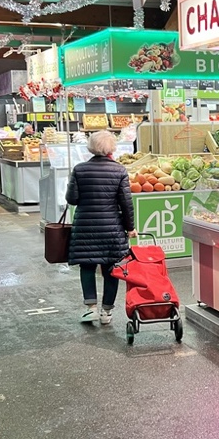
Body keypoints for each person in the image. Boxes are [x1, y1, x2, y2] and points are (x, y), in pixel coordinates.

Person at [65, 130, 136, 325]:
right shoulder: (120, 170)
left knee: (87, 266)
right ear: (111, 147)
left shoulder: (79, 169)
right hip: (112, 228)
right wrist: (130, 228)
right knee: (111, 268)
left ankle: (91, 309)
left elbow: (72, 199)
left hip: (85, 227)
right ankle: (107, 312)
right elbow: (126, 203)